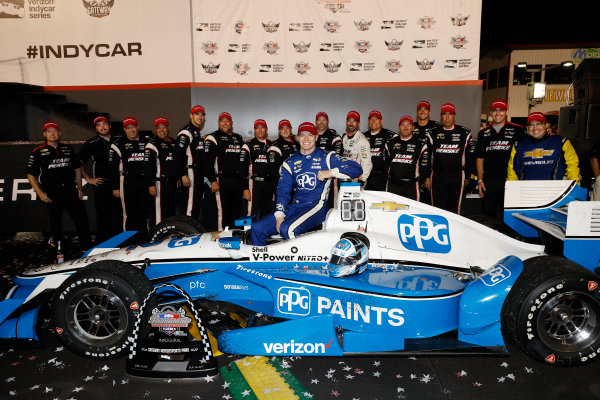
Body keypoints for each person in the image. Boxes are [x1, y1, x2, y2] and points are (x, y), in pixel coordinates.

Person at [250, 122, 363, 246]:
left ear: (316, 137)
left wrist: (331, 172)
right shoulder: (290, 162)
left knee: (288, 229)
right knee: (257, 228)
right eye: (302, 135)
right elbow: (283, 192)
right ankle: (263, 264)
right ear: (297, 138)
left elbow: (356, 168)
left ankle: (296, 266)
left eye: (310, 135)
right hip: (295, 207)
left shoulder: (327, 156)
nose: (306, 139)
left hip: (317, 207)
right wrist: (280, 215)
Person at [26, 122, 91, 253]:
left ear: (59, 133)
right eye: (49, 131)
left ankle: (87, 249)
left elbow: (77, 168)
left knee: (82, 220)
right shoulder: (37, 152)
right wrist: (40, 193)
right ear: (44, 134)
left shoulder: (68, 149)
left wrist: (79, 188)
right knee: (55, 223)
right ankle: (58, 250)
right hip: (52, 191)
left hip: (70, 190)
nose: (52, 133)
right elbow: (30, 174)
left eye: (54, 131)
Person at [475, 100, 525, 222]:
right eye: (495, 110)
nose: (498, 113)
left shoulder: (518, 130)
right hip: (489, 181)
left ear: (506, 112)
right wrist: (480, 179)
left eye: (501, 110)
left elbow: (525, 155)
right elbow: (479, 158)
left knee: (509, 215)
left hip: (510, 180)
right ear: (491, 112)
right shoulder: (483, 133)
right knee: (488, 216)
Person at [78, 116, 122, 243]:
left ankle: (122, 242)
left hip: (120, 183)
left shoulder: (119, 140)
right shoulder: (91, 143)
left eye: (104, 124)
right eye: (99, 125)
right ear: (96, 128)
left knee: (121, 214)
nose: (102, 127)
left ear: (110, 125)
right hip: (102, 184)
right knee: (104, 215)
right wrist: (88, 178)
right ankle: (102, 244)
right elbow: (78, 162)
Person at [428, 103, 475, 214]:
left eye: (450, 114)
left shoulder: (465, 133)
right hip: (437, 176)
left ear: (454, 115)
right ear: (441, 116)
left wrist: (468, 176)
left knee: (455, 210)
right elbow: (426, 157)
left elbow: (471, 157)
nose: (447, 117)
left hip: (457, 176)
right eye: (445, 114)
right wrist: (426, 177)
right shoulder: (432, 133)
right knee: (437, 210)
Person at [507, 112, 580, 183]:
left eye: (539, 124)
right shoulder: (519, 145)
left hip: (557, 192)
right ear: (527, 127)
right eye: (531, 124)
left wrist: (575, 188)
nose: (535, 128)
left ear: (546, 125)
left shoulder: (561, 142)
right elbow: (512, 172)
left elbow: (573, 167)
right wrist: (511, 190)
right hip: (526, 192)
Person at [109, 117, 150, 234]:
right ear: (124, 129)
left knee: (144, 213)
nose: (131, 130)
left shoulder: (146, 142)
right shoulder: (117, 144)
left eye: (133, 127)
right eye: (128, 128)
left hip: (144, 182)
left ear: (138, 127)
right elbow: (112, 168)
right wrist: (115, 187)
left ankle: (144, 240)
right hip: (127, 182)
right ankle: (129, 243)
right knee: (129, 214)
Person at [204, 112, 245, 230]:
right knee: (223, 211)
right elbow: (207, 162)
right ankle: (221, 238)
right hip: (221, 181)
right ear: (218, 123)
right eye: (222, 121)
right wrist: (213, 180)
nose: (225, 123)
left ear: (231, 123)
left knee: (236, 211)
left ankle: (235, 235)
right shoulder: (212, 137)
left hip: (237, 181)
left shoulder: (238, 137)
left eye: (228, 121)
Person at [385, 116, 430, 200]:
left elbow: (424, 168)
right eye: (402, 125)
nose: (405, 128)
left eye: (408, 125)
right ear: (399, 127)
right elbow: (385, 165)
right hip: (393, 185)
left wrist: (418, 184)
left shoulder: (421, 144)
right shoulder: (390, 143)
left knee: (411, 212)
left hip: (411, 187)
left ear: (413, 127)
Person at [145, 117, 179, 226]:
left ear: (168, 128)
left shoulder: (174, 142)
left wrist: (178, 178)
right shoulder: (152, 144)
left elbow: (177, 162)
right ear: (156, 130)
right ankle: (156, 240)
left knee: (171, 214)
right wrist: (151, 184)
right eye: (159, 128)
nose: (162, 130)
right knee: (159, 215)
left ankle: (168, 238)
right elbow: (148, 166)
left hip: (173, 185)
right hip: (159, 185)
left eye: (164, 127)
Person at [176, 105, 206, 221]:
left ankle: (193, 233)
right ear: (191, 116)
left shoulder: (196, 132)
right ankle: (186, 234)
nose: (200, 117)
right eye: (197, 114)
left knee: (196, 205)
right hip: (190, 172)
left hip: (197, 172)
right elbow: (179, 154)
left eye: (202, 114)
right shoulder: (186, 132)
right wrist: (183, 175)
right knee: (189, 206)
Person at [241, 119, 273, 219]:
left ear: (266, 129)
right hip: (254, 184)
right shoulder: (248, 145)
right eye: (257, 128)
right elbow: (242, 168)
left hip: (268, 184)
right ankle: (249, 234)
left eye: (262, 127)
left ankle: (264, 234)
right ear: (254, 130)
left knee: (267, 212)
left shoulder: (272, 145)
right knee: (251, 213)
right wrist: (245, 188)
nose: (260, 130)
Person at [413, 101, 440, 204]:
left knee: (432, 204)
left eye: (425, 109)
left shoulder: (437, 127)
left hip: (433, 173)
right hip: (414, 171)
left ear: (429, 112)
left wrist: (428, 176)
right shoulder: (411, 127)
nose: (422, 111)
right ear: (417, 112)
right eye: (420, 109)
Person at [364, 110, 396, 191]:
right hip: (367, 177)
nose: (373, 121)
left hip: (384, 178)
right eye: (371, 119)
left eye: (376, 119)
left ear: (381, 121)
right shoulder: (363, 136)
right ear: (368, 121)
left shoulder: (391, 136)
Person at [341, 110, 372, 184]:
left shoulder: (362, 140)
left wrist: (362, 180)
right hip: (345, 177)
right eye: (349, 120)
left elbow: (367, 163)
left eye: (354, 121)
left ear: (358, 124)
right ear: (346, 122)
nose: (351, 123)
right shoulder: (345, 138)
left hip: (356, 179)